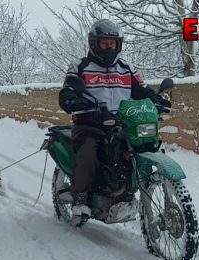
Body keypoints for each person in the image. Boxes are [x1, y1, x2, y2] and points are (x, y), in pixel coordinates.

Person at [58, 19, 171, 223]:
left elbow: (140, 91)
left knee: (140, 147)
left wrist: (156, 99)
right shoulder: (81, 66)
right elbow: (67, 92)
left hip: (123, 123)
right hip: (90, 124)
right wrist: (74, 102)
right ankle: (80, 199)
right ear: (94, 43)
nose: (109, 47)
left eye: (113, 43)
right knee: (89, 152)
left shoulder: (126, 68)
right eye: (105, 43)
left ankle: (127, 189)